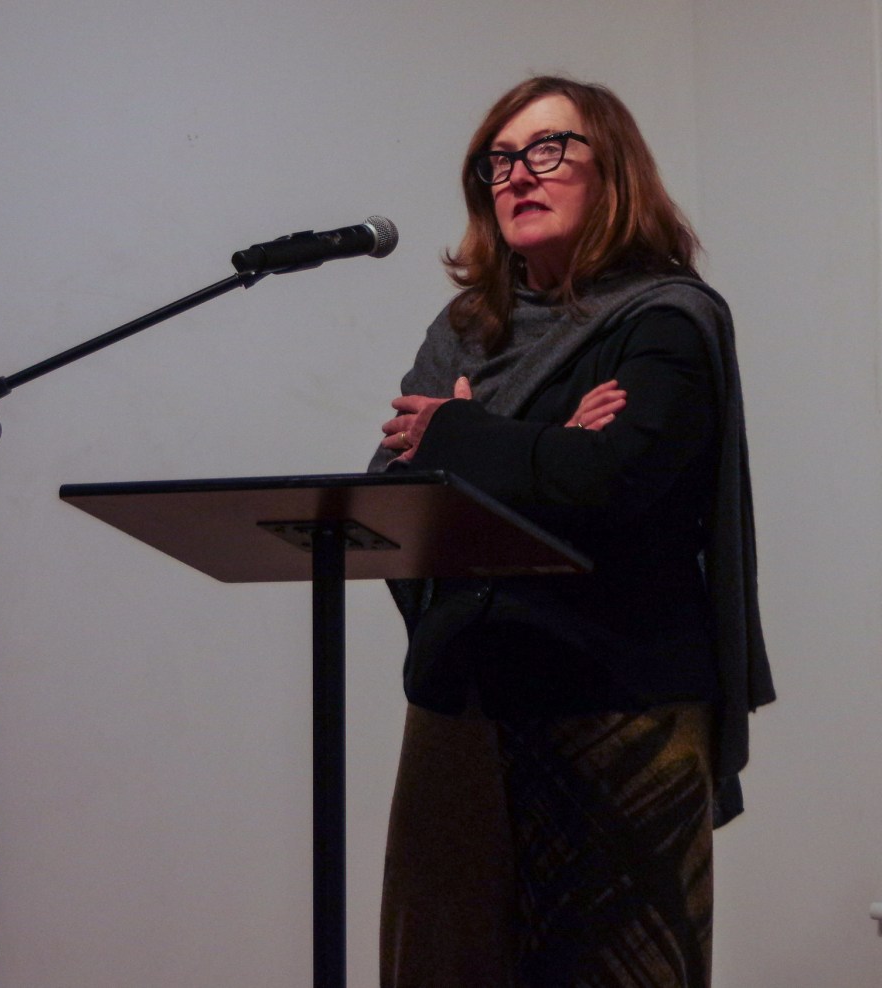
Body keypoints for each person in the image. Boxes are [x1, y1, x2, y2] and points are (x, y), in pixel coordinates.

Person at [367, 75, 774, 988]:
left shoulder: (665, 320)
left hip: (614, 708)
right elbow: (395, 486)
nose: (518, 175)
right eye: (500, 160)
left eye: (548, 150)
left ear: (613, 172)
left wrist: (466, 435)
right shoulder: (467, 328)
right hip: (461, 700)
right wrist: (543, 446)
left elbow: (611, 484)